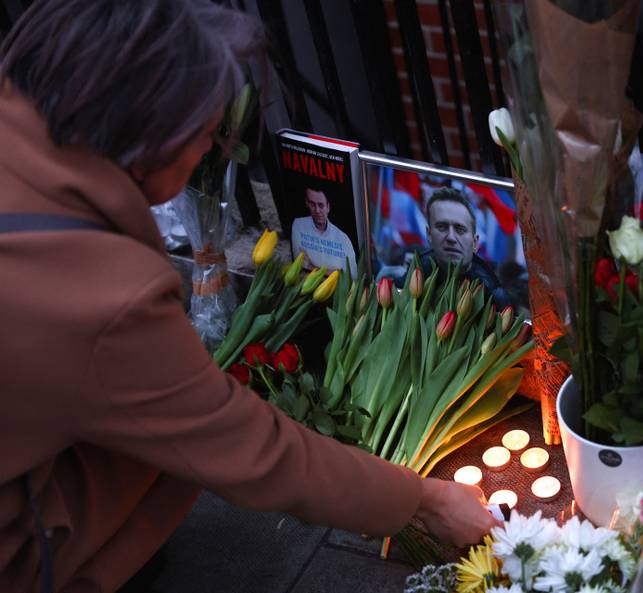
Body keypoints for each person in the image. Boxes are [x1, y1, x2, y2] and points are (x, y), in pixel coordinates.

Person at [0, 2, 496, 591]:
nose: (207, 154)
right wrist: (425, 500)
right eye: (209, 135)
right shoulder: (103, 295)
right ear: (154, 130)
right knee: (177, 453)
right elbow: (253, 450)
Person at [412, 188, 510, 308]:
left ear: (475, 242)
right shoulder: (417, 268)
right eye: (442, 227)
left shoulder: (492, 294)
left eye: (460, 229)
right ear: (429, 234)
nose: (451, 238)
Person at [291, 185, 358, 278]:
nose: (317, 210)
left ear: (328, 207)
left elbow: (351, 277)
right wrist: (335, 272)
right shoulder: (298, 225)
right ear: (307, 203)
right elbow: (299, 263)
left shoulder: (343, 239)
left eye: (321, 205)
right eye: (312, 204)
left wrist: (311, 265)